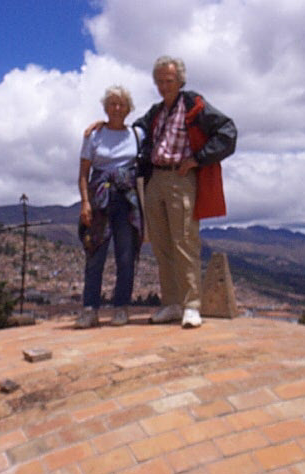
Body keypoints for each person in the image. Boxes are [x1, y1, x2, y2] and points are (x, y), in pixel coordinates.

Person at [133, 55, 237, 328]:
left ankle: (191, 305)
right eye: (160, 81)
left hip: (181, 178)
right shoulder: (156, 112)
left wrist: (199, 158)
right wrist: (105, 127)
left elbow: (227, 131)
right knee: (161, 245)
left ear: (180, 80)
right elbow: (136, 131)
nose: (164, 86)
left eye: (169, 80)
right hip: (156, 179)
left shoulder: (193, 104)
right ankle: (172, 303)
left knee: (185, 241)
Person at [75, 85, 144, 329]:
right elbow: (83, 174)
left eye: (121, 104)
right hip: (99, 201)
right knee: (95, 254)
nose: (116, 108)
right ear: (105, 108)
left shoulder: (137, 135)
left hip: (127, 201)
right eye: (112, 104)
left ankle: (121, 308)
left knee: (126, 256)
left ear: (128, 109)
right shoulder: (93, 136)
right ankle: (90, 309)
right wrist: (85, 202)